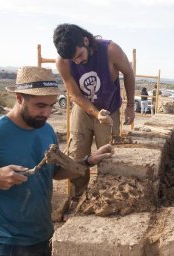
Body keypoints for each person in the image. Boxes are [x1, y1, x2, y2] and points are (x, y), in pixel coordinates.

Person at [0, 66, 113, 256]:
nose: (47, 113)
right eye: (40, 106)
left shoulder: (46, 130)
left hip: (44, 236)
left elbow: (53, 173)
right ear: (19, 98)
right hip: (10, 247)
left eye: (51, 106)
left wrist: (87, 161)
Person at [53, 23, 135, 196]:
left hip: (109, 109)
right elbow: (75, 95)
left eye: (80, 55)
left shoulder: (110, 51)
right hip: (82, 110)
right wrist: (96, 113)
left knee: (108, 155)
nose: (78, 61)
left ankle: (108, 198)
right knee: (76, 157)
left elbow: (128, 73)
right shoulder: (62, 62)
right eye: (73, 60)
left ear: (85, 40)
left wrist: (130, 106)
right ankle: (78, 199)